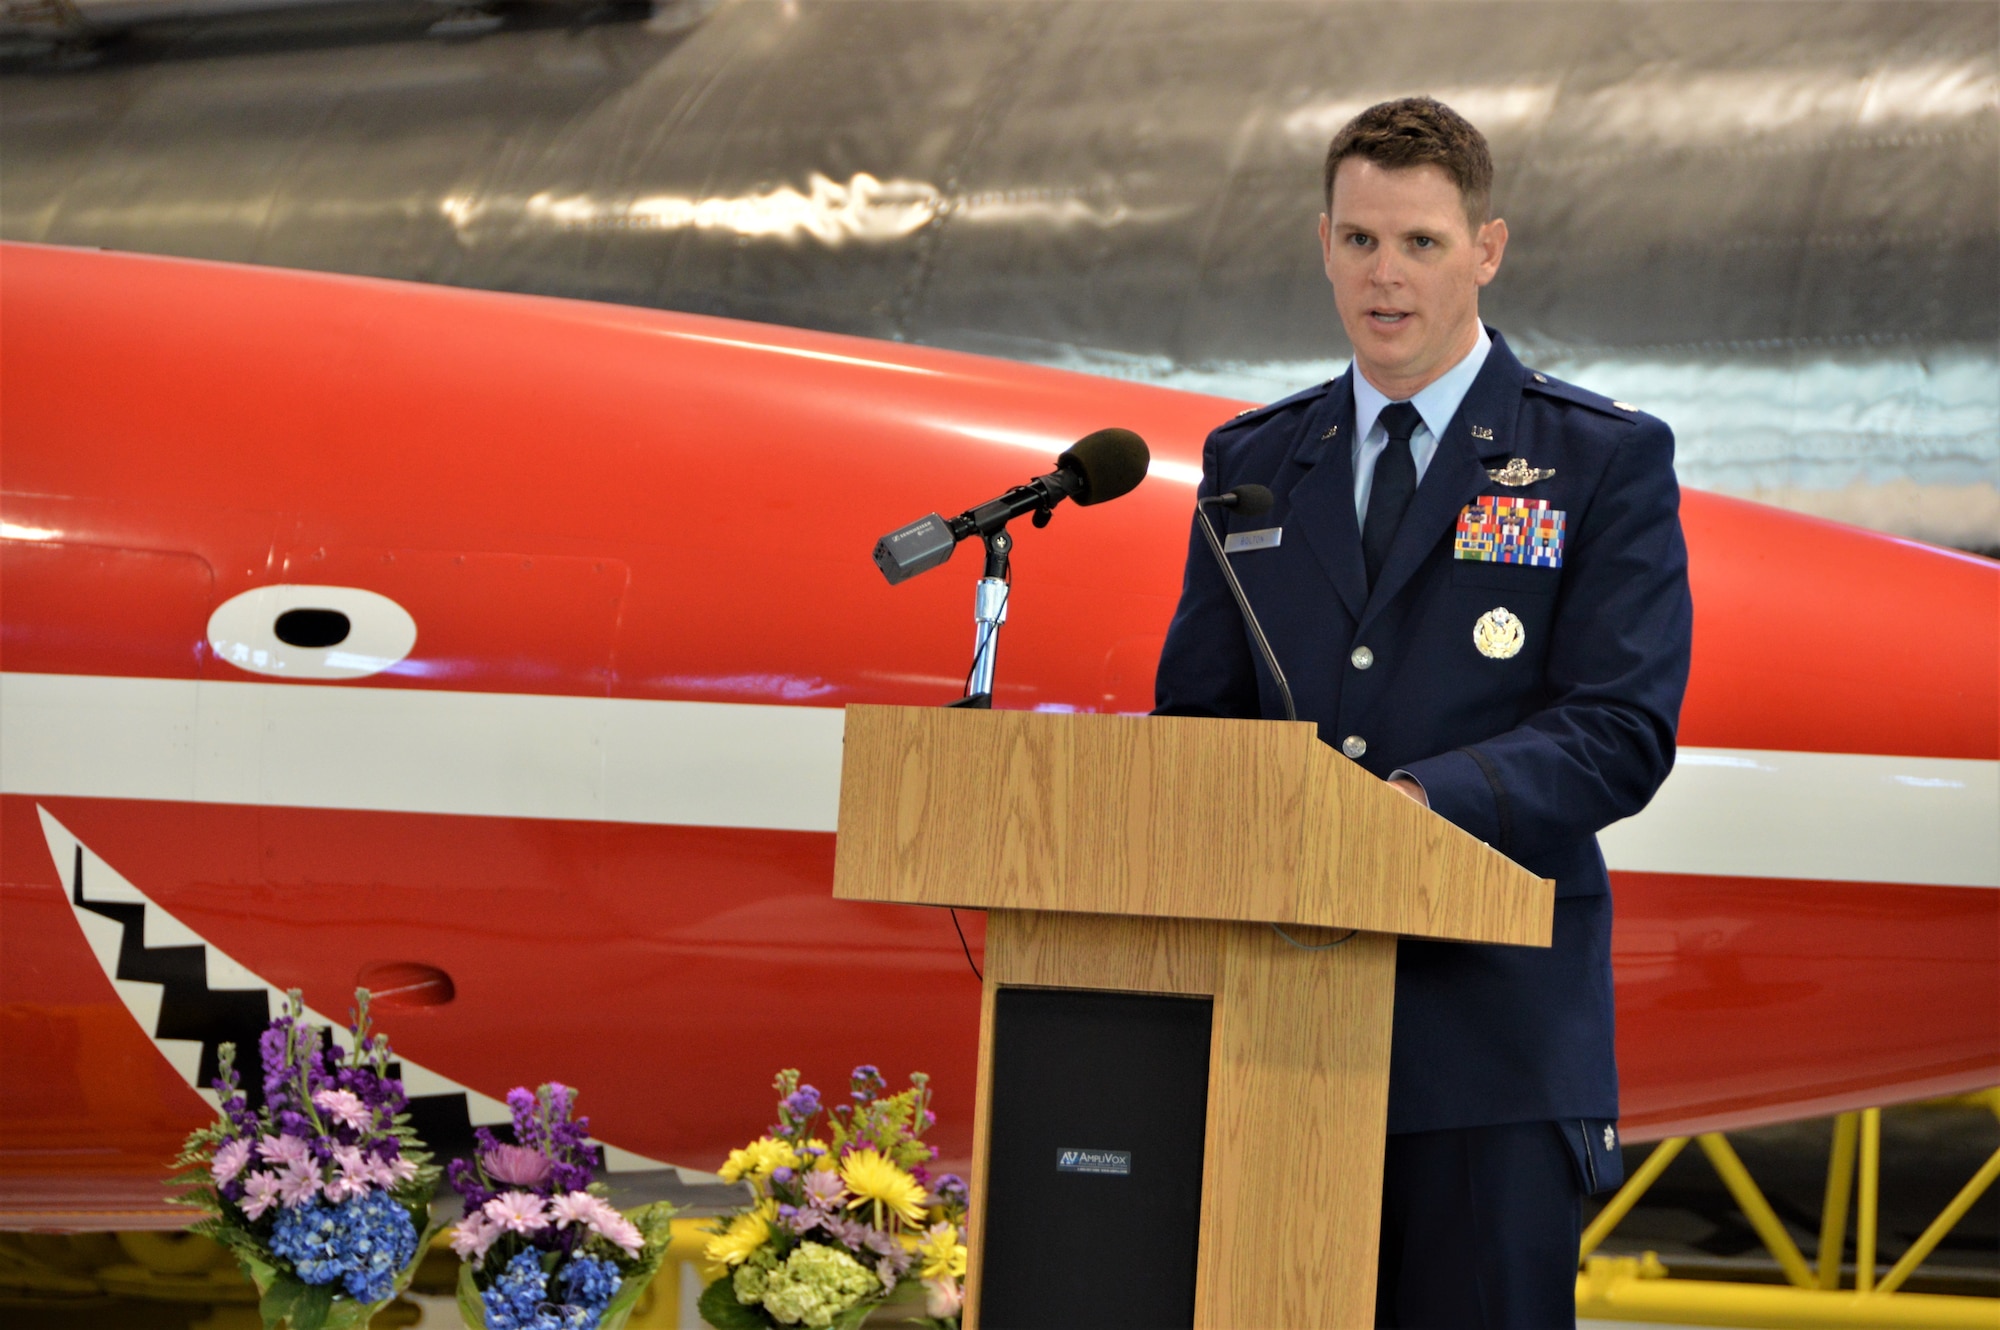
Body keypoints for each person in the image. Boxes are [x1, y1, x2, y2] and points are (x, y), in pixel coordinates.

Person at [1153, 97, 1693, 1329]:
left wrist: (1409, 807)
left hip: (1487, 1046)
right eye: (1356, 242)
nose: (1382, 276)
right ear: (1322, 244)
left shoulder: (1598, 460)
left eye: (1419, 244)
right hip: (1273, 1037)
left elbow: (1618, 725)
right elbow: (1196, 719)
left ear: (1485, 250)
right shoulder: (1249, 464)